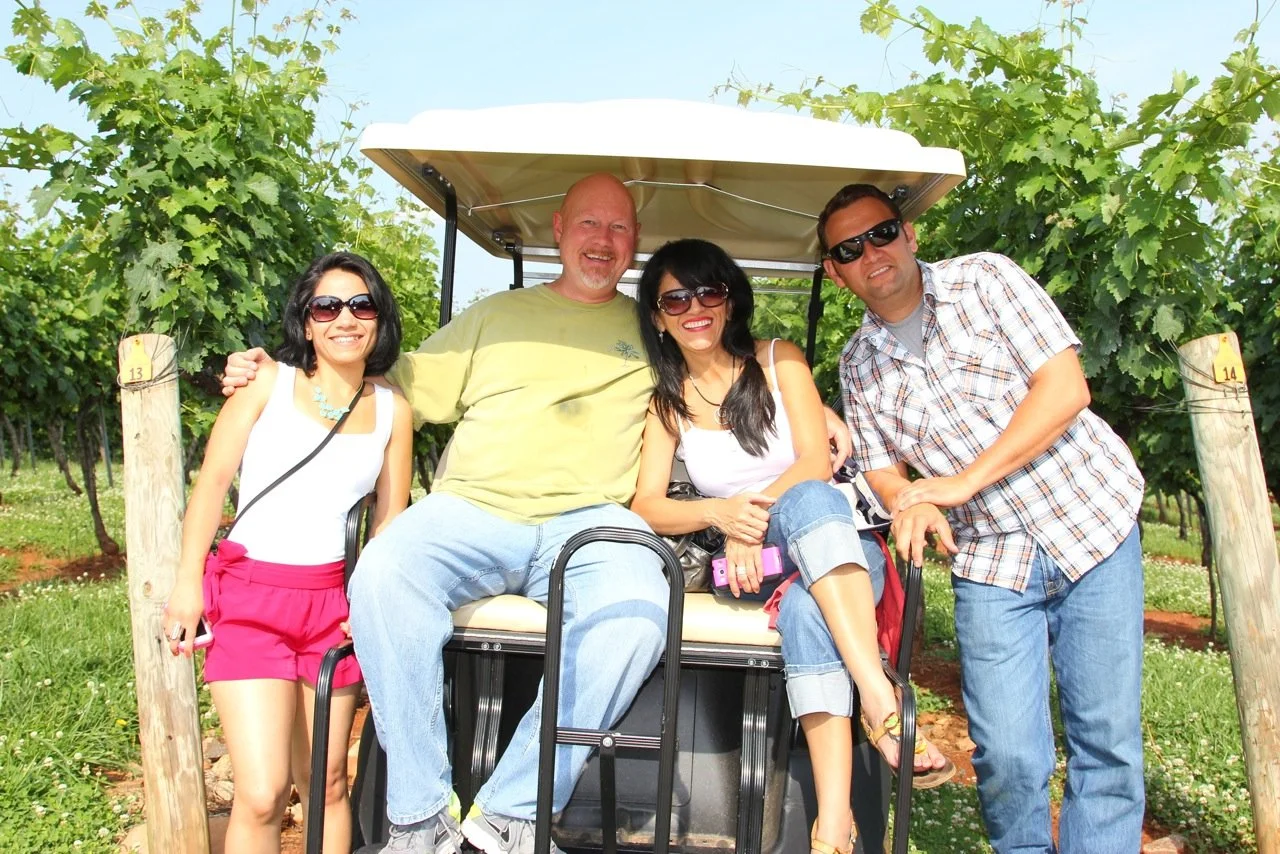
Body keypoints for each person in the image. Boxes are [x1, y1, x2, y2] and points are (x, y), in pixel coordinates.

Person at [818, 184, 1146, 854]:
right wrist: (910, 499)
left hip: (1091, 524)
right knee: (1008, 756)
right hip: (992, 559)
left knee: (1105, 745)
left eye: (881, 233)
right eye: (849, 249)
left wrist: (956, 484)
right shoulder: (857, 364)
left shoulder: (987, 280)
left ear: (909, 235)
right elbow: (881, 467)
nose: (871, 254)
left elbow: (1065, 389)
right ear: (835, 271)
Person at [629, 238, 955, 854]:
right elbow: (647, 505)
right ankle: (880, 704)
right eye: (676, 298)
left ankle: (832, 821)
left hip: (836, 545)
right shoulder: (667, 403)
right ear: (656, 314)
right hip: (755, 561)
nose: (694, 308)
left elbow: (813, 462)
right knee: (808, 510)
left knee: (811, 549)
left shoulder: (781, 361)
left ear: (729, 301)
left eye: (709, 292)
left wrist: (746, 516)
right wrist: (723, 516)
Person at [165, 251, 414, 854]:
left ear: (379, 320)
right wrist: (186, 585)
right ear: (306, 322)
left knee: (327, 782)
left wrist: (370, 602)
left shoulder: (391, 411)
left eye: (361, 304)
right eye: (326, 306)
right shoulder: (266, 383)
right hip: (251, 597)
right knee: (262, 791)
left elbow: (390, 522)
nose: (344, 318)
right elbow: (211, 487)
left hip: (330, 608)